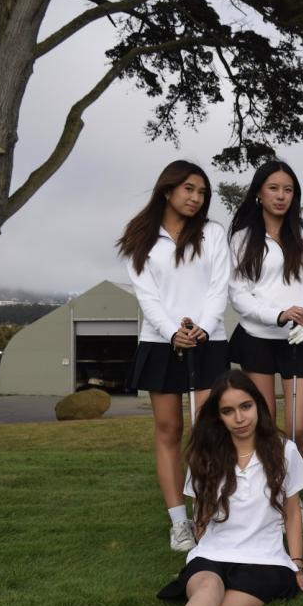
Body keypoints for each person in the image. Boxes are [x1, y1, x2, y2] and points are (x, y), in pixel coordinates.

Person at [111, 370, 303, 606]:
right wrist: (202, 553)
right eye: (228, 411)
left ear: (259, 406)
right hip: (214, 554)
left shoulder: (283, 450)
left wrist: (296, 563)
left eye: (245, 406)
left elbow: (292, 514)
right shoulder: (205, 456)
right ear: (217, 416)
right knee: (208, 586)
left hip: (263, 561)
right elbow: (201, 518)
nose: (239, 418)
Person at [119, 160, 231, 552]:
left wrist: (201, 326)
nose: (196, 198)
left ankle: (206, 512)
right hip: (159, 342)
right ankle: (179, 523)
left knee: (208, 431)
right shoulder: (140, 237)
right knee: (168, 432)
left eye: (202, 192)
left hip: (209, 339)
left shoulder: (214, 233)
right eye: (188, 189)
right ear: (167, 190)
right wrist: (172, 333)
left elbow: (220, 285)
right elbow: (146, 295)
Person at [227, 160, 303, 474]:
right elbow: (238, 294)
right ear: (259, 192)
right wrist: (278, 315)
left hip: (299, 339)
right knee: (266, 424)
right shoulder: (242, 238)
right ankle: (273, 491)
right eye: (273, 188)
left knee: (297, 429)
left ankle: (294, 497)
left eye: (288, 189)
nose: (281, 196)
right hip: (256, 339)